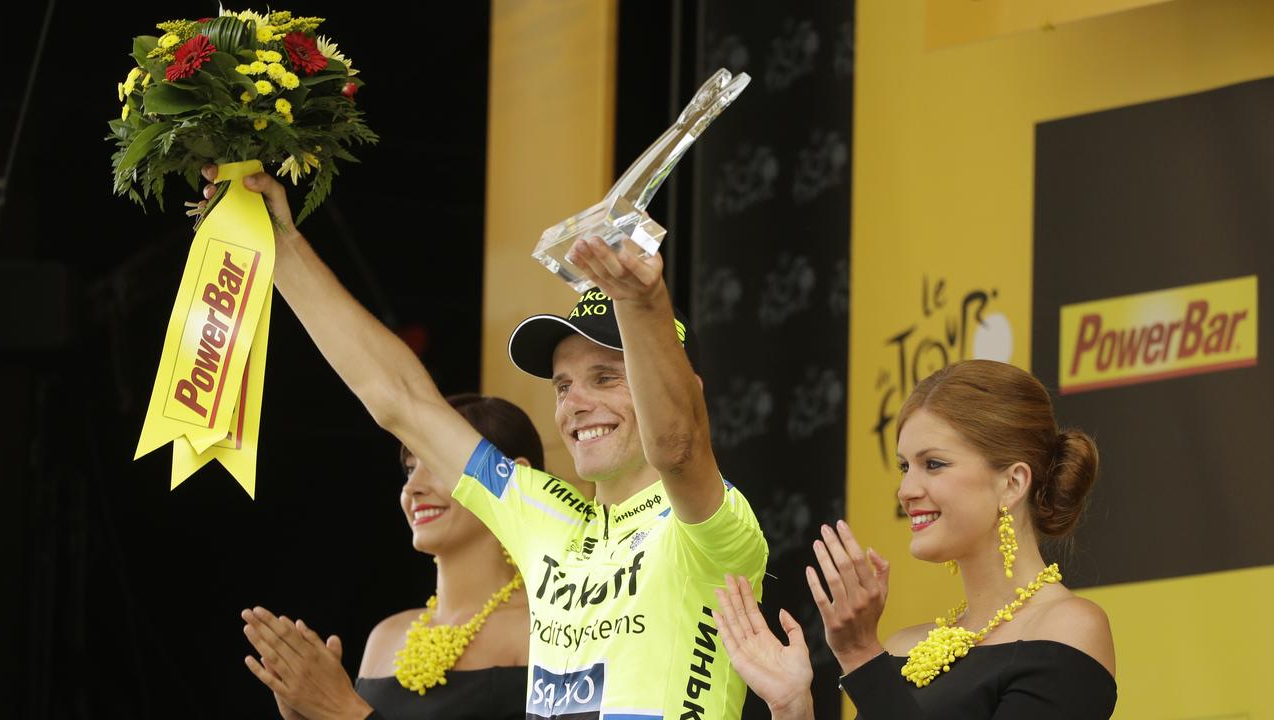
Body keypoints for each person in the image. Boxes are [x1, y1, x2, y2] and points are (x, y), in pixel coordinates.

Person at [199, 165, 769, 719]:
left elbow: (678, 446)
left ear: (686, 389)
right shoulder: (545, 516)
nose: (575, 404)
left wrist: (642, 305)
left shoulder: (711, 525)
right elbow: (401, 399)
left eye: (606, 377)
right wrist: (279, 246)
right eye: (563, 385)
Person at [712, 360, 1117, 719]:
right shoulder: (906, 645)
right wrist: (792, 708)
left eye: (933, 464)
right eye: (905, 467)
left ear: (1012, 483)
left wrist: (860, 655)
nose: (906, 490)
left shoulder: (1070, 627)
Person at [240, 394, 543, 720]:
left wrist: (343, 710)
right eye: (411, 468)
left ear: (512, 481)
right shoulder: (386, 637)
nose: (413, 488)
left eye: (438, 462)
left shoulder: (545, 632)